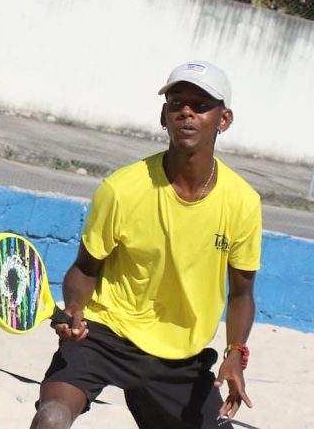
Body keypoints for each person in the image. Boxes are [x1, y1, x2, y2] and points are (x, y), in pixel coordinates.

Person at [31, 61, 262, 429]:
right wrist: (74, 306)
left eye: (201, 105)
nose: (186, 112)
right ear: (163, 115)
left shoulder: (243, 202)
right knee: (52, 417)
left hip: (180, 359)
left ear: (224, 120)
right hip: (105, 335)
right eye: (176, 103)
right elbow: (85, 268)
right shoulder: (122, 189)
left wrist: (236, 352)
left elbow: (241, 294)